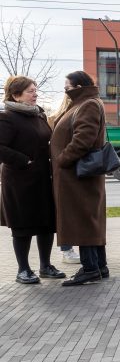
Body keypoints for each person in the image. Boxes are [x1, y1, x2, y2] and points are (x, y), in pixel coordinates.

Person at [0, 76, 63, 284]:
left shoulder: (39, 115)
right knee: (23, 225)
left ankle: (45, 266)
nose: (35, 93)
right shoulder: (7, 117)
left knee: (46, 223)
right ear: (16, 95)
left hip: (43, 178)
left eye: (35, 90)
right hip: (19, 181)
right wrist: (23, 161)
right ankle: (23, 270)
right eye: (30, 91)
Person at [50, 71, 109, 285]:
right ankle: (99, 266)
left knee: (82, 220)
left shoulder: (88, 104)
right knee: (88, 219)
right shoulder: (83, 103)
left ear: (78, 86)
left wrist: (62, 159)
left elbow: (84, 138)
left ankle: (91, 268)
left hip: (78, 174)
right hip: (77, 175)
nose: (65, 90)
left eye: (67, 86)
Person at [46, 97, 80, 264]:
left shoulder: (63, 116)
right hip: (62, 169)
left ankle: (74, 249)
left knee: (71, 211)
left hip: (69, 169)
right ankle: (67, 249)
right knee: (64, 211)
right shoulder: (56, 118)